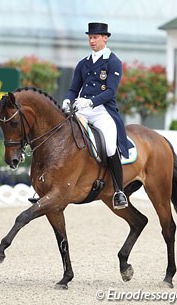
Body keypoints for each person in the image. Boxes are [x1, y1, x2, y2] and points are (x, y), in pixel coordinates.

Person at [62, 22, 133, 209]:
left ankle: (119, 192)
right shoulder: (83, 63)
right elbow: (73, 89)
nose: (92, 41)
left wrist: (91, 102)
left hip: (102, 111)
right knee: (61, 135)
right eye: (90, 38)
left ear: (105, 38)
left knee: (110, 146)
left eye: (95, 37)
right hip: (81, 109)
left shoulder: (113, 62)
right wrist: (67, 101)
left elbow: (110, 91)